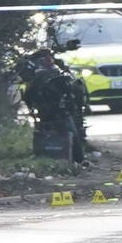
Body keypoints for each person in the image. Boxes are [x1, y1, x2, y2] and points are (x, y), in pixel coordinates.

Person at [20, 32, 88, 165]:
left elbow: (72, 87)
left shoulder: (58, 70)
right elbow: (28, 93)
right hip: (47, 109)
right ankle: (60, 156)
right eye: (45, 57)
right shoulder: (34, 72)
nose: (47, 59)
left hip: (60, 109)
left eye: (48, 57)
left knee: (78, 85)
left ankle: (75, 157)